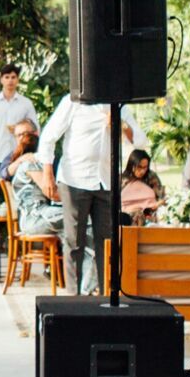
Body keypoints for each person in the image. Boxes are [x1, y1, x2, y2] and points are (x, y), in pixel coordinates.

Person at [39, 93, 144, 295]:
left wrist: (121, 125)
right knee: (75, 241)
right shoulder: (73, 101)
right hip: (74, 179)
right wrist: (47, 174)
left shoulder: (118, 104)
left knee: (106, 242)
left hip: (105, 182)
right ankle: (73, 297)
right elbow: (48, 137)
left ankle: (106, 295)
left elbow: (140, 140)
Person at [0, 65, 38, 196]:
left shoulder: (26, 103)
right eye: (7, 77)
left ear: (18, 80)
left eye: (13, 77)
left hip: (18, 158)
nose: (10, 80)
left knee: (15, 200)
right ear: (1, 79)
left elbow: (35, 130)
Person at [6, 134, 65, 238]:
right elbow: (52, 193)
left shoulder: (25, 165)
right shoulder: (30, 165)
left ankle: (75, 248)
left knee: (79, 217)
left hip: (36, 218)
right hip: (35, 219)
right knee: (80, 215)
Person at [120, 149, 166, 222]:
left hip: (149, 215)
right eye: (139, 167)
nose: (142, 171)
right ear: (132, 165)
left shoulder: (151, 177)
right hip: (127, 217)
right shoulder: (122, 179)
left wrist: (158, 204)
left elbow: (162, 197)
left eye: (145, 167)